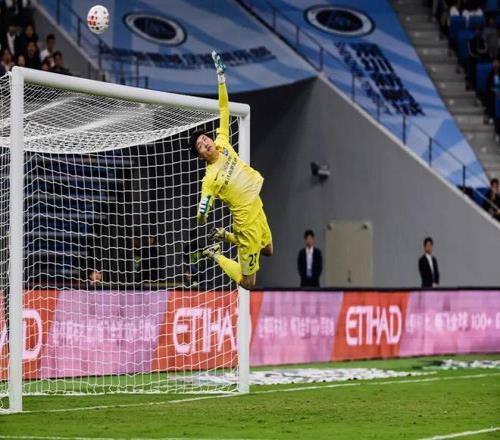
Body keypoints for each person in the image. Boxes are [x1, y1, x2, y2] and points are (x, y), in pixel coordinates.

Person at [190, 51, 273, 290]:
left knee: (269, 250)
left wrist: (221, 78)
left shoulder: (222, 142)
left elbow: (224, 108)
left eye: (204, 139)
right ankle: (216, 253)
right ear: (201, 156)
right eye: (200, 146)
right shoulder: (209, 178)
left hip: (257, 207)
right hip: (245, 224)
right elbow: (201, 215)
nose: (205, 143)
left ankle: (225, 236)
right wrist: (202, 211)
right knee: (248, 283)